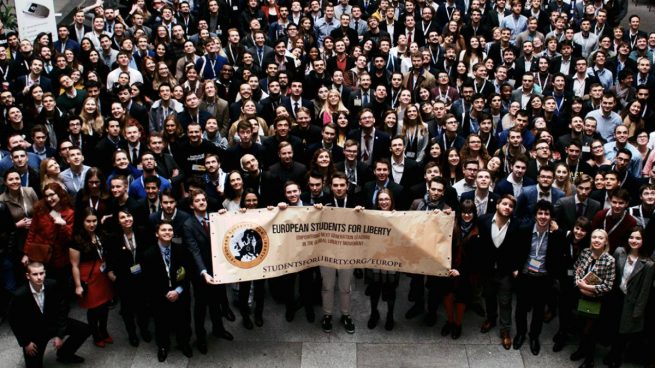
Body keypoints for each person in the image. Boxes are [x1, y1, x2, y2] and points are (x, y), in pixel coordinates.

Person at [8, 262, 90, 367]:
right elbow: (14, 320)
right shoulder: (19, 295)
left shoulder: (52, 284)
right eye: (35, 274)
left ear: (45, 273)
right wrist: (26, 343)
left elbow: (62, 308)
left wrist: (60, 334)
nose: (39, 277)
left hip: (53, 324)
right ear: (28, 276)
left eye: (41, 273)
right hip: (35, 333)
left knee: (84, 329)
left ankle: (65, 354)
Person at [183, 189, 234, 355]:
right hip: (200, 273)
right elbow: (194, 250)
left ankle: (218, 329)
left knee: (216, 302)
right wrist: (204, 272)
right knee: (200, 306)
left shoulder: (215, 217)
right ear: (192, 205)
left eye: (203, 199)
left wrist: (226, 216)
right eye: (197, 201)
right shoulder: (188, 225)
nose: (202, 202)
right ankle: (201, 338)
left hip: (217, 269)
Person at [513, 200, 565, 356]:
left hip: (543, 278)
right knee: (521, 308)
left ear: (551, 217)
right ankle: (521, 333)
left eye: (546, 214)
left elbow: (562, 252)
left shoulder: (556, 235)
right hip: (526, 275)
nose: (543, 216)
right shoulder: (524, 230)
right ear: (535, 215)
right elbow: (515, 250)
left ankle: (534, 337)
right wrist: (515, 268)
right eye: (540, 213)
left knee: (538, 310)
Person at [475, 194, 523, 350]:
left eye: (510, 206)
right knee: (488, 296)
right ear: (497, 205)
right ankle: (491, 319)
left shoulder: (516, 224)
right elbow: (479, 243)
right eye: (504, 204)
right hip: (487, 269)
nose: (507, 207)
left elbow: (518, 248)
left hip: (505, 270)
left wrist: (515, 267)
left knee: (505, 301)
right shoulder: (483, 220)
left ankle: (505, 331)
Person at [143, 221, 193, 362]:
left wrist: (177, 291)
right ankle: (163, 346)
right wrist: (165, 292)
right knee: (161, 322)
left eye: (170, 230)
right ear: (156, 233)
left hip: (180, 293)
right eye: (163, 230)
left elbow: (188, 272)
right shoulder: (148, 254)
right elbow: (148, 279)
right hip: (160, 295)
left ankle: (184, 343)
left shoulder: (181, 250)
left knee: (183, 320)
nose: (167, 232)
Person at [604, 227, 654, 368]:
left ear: (643, 241)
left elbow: (644, 292)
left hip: (630, 302)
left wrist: (638, 311)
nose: (634, 240)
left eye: (638, 238)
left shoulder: (648, 264)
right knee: (613, 326)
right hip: (616, 297)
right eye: (632, 237)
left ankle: (617, 356)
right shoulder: (620, 252)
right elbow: (611, 273)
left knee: (623, 332)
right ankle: (611, 353)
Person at [316, 172, 358, 334]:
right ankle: (327, 315)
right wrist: (316, 212)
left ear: (347, 186)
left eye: (342, 185)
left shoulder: (356, 202)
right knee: (327, 286)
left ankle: (346, 315)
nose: (339, 188)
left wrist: (362, 213)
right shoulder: (322, 202)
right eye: (335, 185)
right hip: (327, 252)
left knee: (345, 287)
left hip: (348, 252)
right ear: (330, 187)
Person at [105, 207, 152, 347]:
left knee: (143, 307)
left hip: (142, 277)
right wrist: (110, 272)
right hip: (124, 279)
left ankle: (144, 329)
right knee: (127, 309)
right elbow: (110, 258)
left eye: (129, 216)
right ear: (118, 221)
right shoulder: (113, 238)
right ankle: (132, 334)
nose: (127, 219)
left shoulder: (142, 232)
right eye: (123, 217)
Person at [570, 229, 616, 368]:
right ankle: (581, 350)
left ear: (605, 241)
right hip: (580, 295)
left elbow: (608, 286)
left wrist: (589, 289)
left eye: (600, 238)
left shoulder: (609, 260)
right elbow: (576, 269)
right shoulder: (585, 252)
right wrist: (579, 284)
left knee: (590, 330)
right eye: (594, 237)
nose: (596, 240)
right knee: (580, 325)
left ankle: (589, 359)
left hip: (595, 300)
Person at [69, 208, 113, 348]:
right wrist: (78, 285)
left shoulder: (102, 234)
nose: (92, 224)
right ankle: (96, 334)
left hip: (103, 276)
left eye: (94, 221)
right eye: (88, 221)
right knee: (94, 308)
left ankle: (104, 331)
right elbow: (74, 265)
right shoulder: (76, 239)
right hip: (88, 276)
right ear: (82, 222)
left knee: (105, 306)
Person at [23, 183, 74, 288]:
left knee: (60, 285)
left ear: (60, 194)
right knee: (41, 284)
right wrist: (26, 253)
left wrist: (63, 225)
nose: (49, 199)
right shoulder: (40, 209)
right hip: (41, 254)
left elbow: (70, 238)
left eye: (52, 195)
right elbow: (32, 232)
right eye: (46, 196)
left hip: (59, 257)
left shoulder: (69, 213)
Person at [365, 189, 400, 331]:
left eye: (386, 199)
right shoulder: (371, 216)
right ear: (377, 202)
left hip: (391, 259)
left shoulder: (400, 216)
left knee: (390, 290)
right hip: (374, 259)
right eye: (381, 200)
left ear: (391, 200)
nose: (384, 202)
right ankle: (374, 313)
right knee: (374, 289)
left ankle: (390, 316)